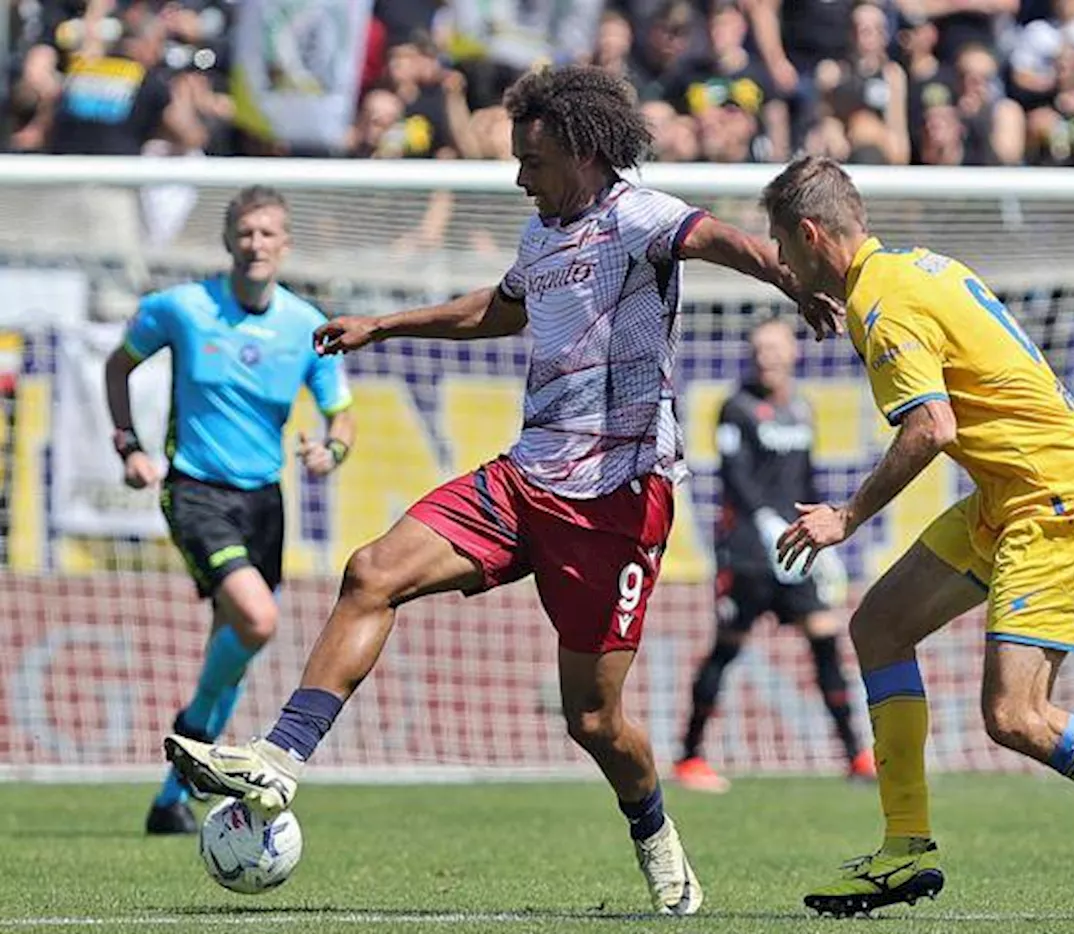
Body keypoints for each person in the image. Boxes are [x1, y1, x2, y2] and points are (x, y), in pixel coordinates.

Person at [163, 65, 838, 915]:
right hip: (526, 478)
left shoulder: (637, 213)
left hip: (617, 501)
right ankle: (281, 757)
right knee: (372, 571)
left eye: (534, 161)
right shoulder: (540, 235)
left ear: (585, 152)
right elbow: (500, 309)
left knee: (595, 723)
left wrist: (792, 278)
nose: (521, 178)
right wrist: (383, 325)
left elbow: (717, 240)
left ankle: (656, 832)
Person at [758, 156, 1074, 920]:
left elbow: (931, 428)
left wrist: (846, 518)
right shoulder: (916, 268)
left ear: (812, 234)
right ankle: (905, 849)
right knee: (879, 626)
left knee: (1016, 717)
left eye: (784, 248)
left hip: (1053, 497)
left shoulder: (883, 307)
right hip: (1010, 489)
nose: (783, 263)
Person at [104, 186, 356, 835]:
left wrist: (331, 450)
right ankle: (191, 764)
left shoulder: (304, 324)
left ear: (285, 244)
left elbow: (340, 414)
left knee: (238, 647)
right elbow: (117, 365)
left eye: (268, 233)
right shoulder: (182, 309)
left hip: (264, 500)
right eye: (246, 233)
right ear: (228, 241)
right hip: (194, 488)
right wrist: (128, 444)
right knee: (257, 617)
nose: (256, 245)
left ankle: (171, 799)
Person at [674, 318, 873, 794]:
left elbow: (806, 480)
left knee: (825, 640)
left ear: (793, 354)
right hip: (747, 551)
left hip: (797, 547)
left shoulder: (802, 408)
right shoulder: (735, 407)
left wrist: (822, 537)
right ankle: (689, 757)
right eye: (760, 348)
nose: (768, 356)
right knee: (727, 646)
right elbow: (734, 475)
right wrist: (763, 520)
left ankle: (857, 756)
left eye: (776, 347)